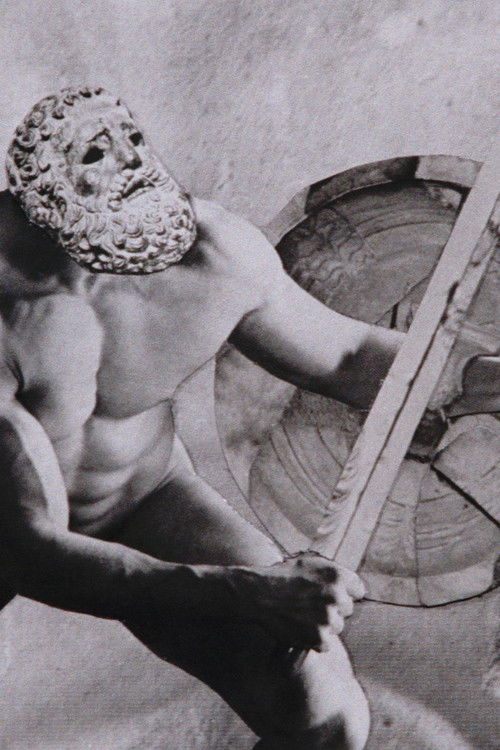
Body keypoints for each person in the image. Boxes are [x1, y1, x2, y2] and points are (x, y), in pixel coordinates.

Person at [0, 87, 496, 750]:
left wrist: (477, 378)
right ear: (46, 194)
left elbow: (348, 358)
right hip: (14, 543)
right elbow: (33, 554)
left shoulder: (212, 254)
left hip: (141, 503)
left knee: (325, 719)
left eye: (134, 139)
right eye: (97, 153)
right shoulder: (10, 315)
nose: (133, 162)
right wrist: (248, 591)